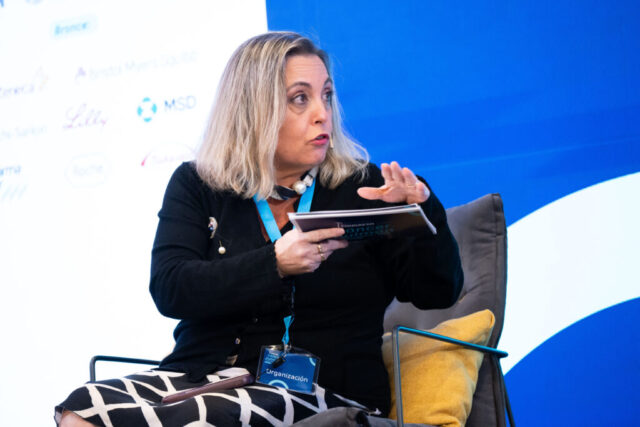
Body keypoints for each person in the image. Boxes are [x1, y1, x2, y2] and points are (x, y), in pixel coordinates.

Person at [56, 31, 463, 426]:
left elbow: (438, 292)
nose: (322, 113)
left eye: (326, 95)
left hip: (322, 391)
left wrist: (422, 214)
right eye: (300, 99)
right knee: (81, 408)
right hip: (201, 378)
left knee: (210, 418)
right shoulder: (198, 184)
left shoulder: (363, 188)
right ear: (254, 109)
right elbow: (170, 288)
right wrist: (274, 264)